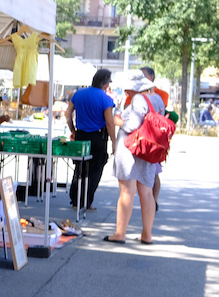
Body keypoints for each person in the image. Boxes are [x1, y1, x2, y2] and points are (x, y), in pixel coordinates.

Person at [106, 70, 165, 244]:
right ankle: (147, 234)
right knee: (146, 193)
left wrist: (118, 122)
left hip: (131, 148)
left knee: (126, 191)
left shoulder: (139, 99)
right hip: (148, 149)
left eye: (127, 88)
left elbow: (132, 125)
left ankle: (120, 233)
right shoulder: (158, 98)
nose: (126, 92)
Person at [65, 68, 115, 211]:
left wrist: (73, 130)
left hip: (81, 135)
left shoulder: (78, 94)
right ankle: (86, 201)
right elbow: (109, 123)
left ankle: (75, 200)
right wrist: (114, 142)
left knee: (80, 167)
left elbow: (68, 114)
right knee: (95, 170)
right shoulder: (106, 99)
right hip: (98, 137)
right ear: (105, 84)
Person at [126, 66, 169, 202]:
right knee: (143, 181)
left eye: (143, 76)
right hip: (138, 141)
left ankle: (154, 200)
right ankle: (151, 202)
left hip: (150, 140)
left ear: (151, 78)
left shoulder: (160, 95)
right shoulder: (133, 95)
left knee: (151, 177)